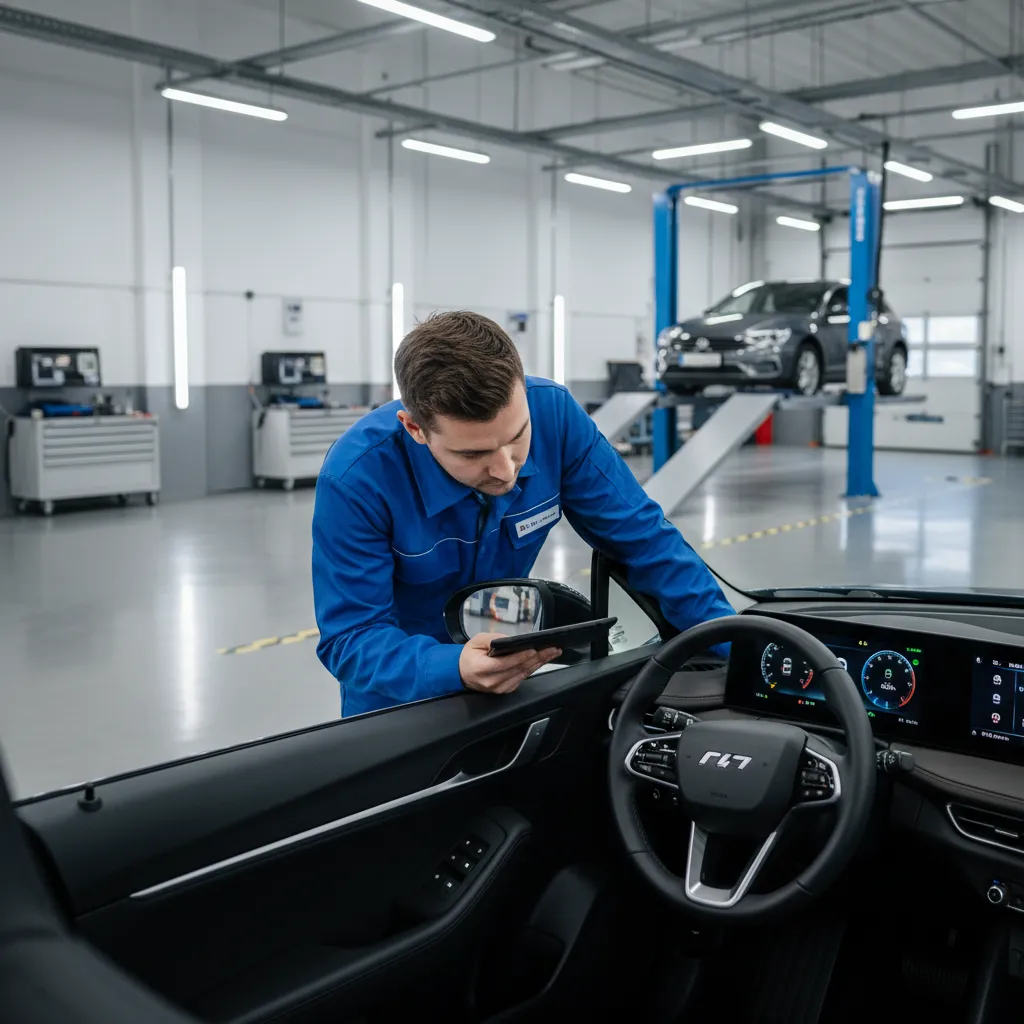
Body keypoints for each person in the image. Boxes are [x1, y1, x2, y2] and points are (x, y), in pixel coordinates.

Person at [312, 311, 733, 717]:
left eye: (517, 437)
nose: (506, 469)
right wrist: (452, 667)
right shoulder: (357, 478)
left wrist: (734, 647)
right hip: (396, 703)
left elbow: (645, 541)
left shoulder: (554, 416)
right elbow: (351, 639)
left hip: (507, 685)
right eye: (472, 453)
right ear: (415, 429)